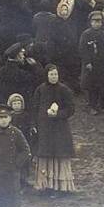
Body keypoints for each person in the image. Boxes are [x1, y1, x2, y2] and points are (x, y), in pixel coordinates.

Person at [31, 64, 76, 196]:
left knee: (59, 155)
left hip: (59, 129)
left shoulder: (64, 90)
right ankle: (46, 185)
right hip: (44, 129)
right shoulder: (40, 90)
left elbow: (70, 109)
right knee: (46, 156)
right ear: (47, 76)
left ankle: (60, 186)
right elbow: (35, 107)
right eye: (51, 75)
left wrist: (58, 114)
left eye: (55, 74)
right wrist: (34, 123)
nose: (53, 77)